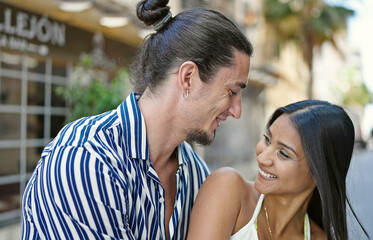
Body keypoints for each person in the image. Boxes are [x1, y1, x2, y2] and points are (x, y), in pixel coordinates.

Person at [21, 0, 253, 239]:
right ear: (188, 78)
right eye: (232, 92)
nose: (237, 111)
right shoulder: (85, 159)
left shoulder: (196, 173)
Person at [187, 100, 369, 240]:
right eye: (267, 139)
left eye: (283, 153)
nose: (262, 157)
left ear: (318, 174)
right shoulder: (228, 189)